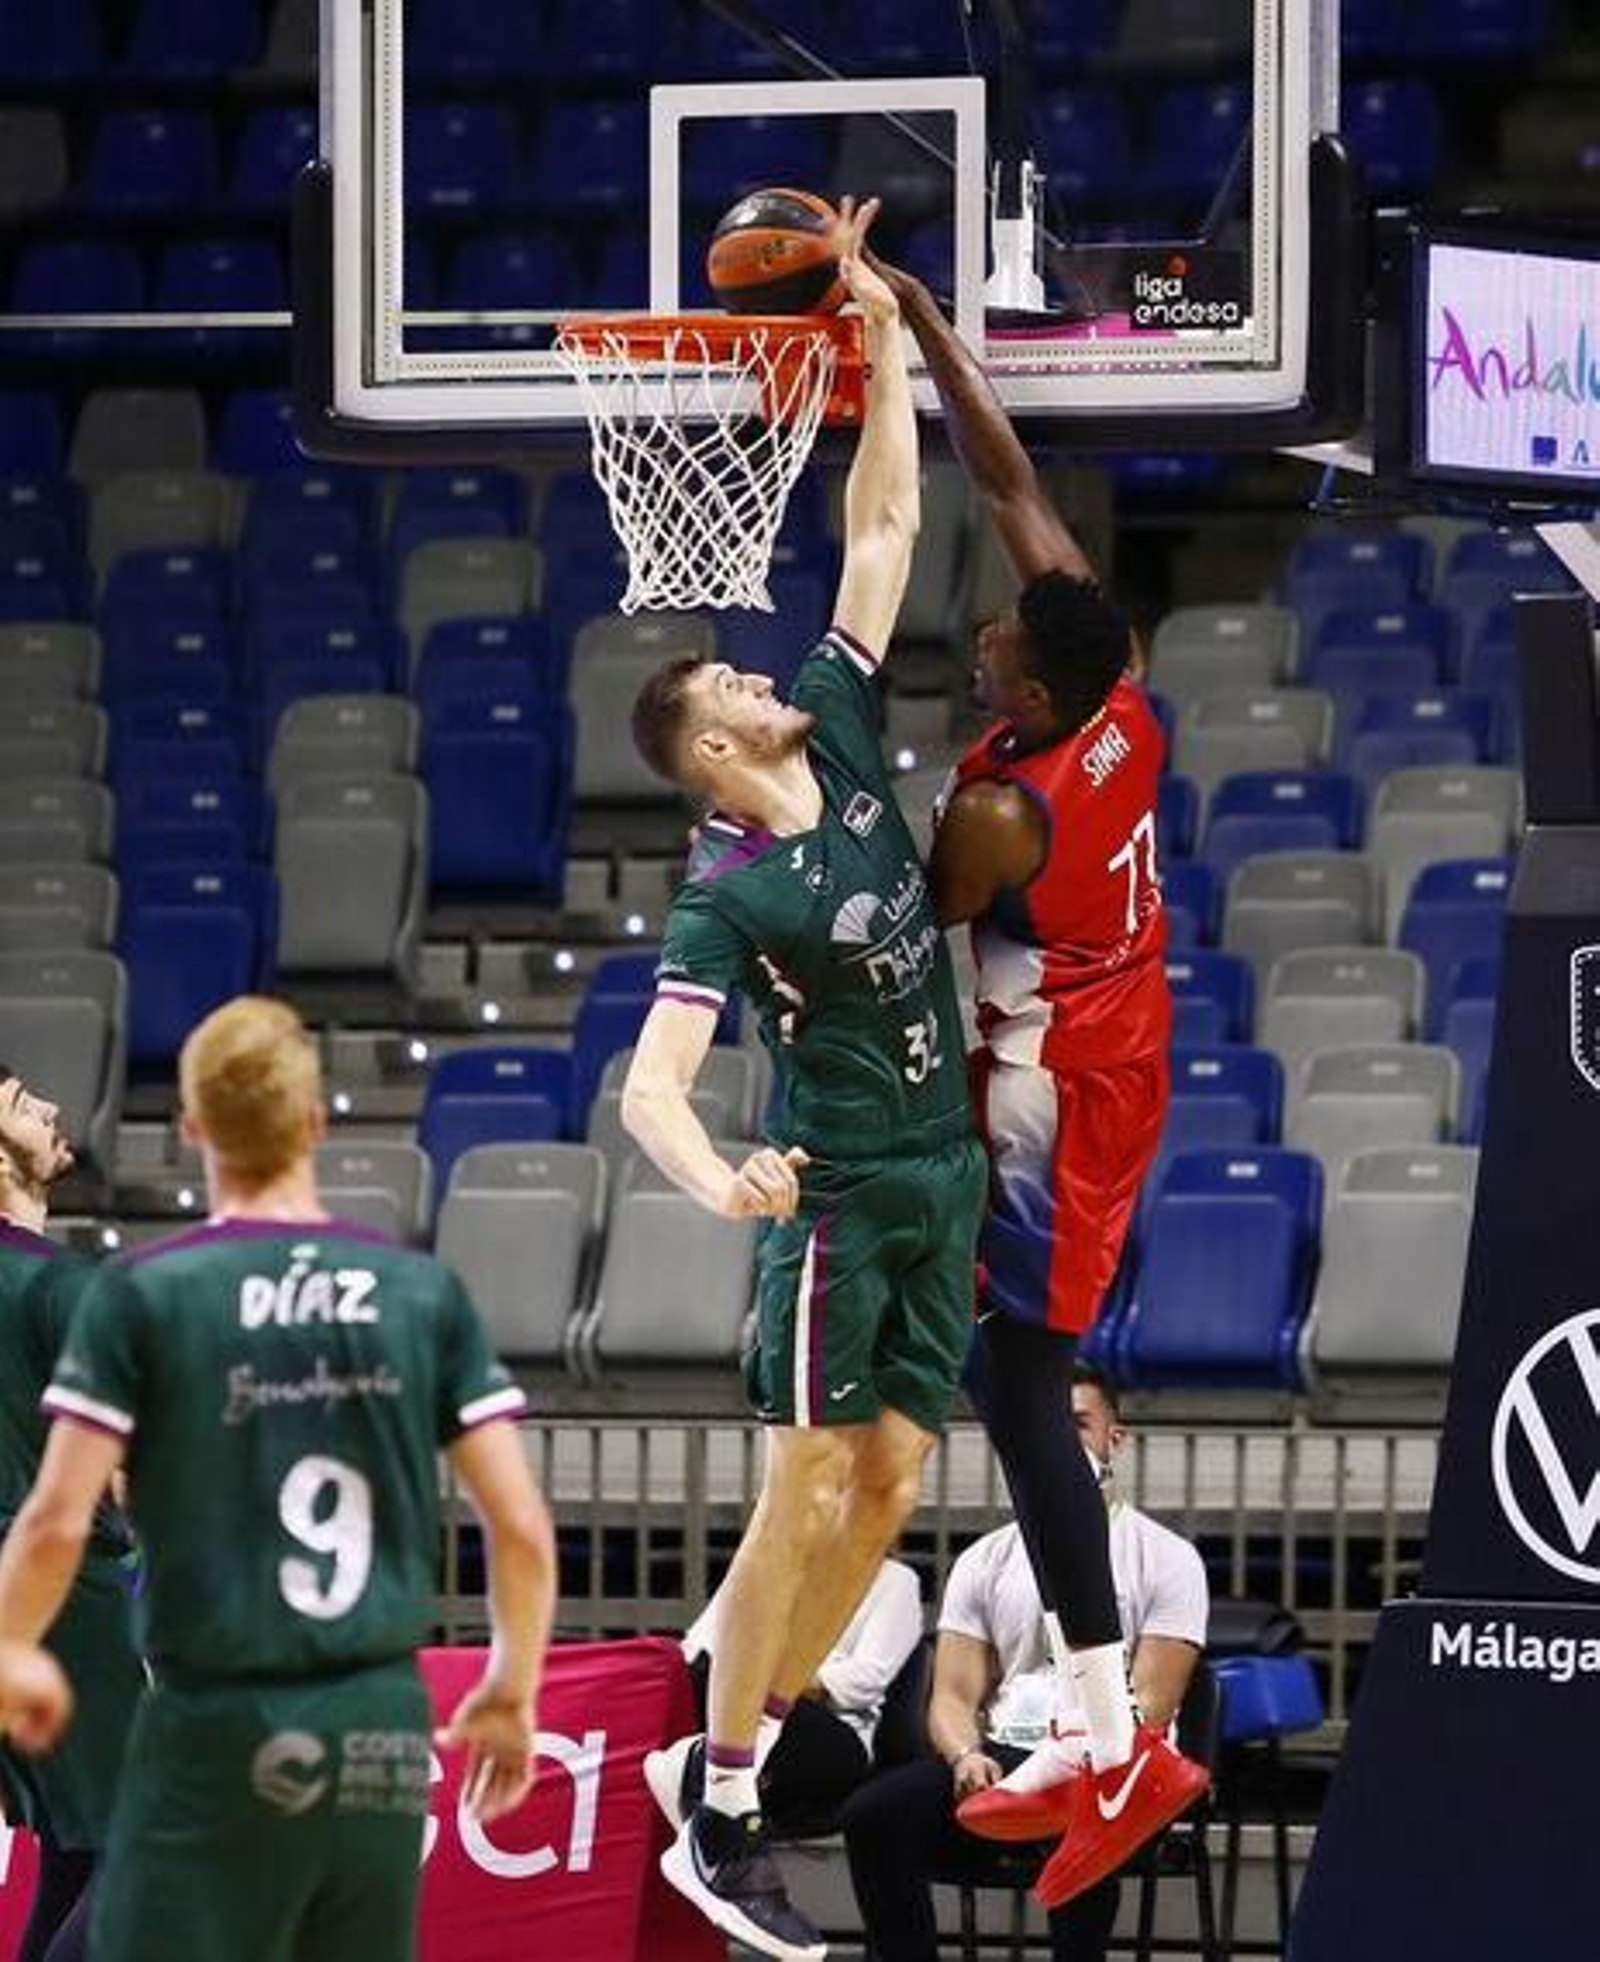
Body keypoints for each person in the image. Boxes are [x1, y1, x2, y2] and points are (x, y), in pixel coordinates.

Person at [623, 196, 987, 1962]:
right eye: (731, 679)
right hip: (837, 1187)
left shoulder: (837, 731)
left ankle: (737, 1717)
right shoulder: (723, 889)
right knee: (808, 1480)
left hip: (945, 1163)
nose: (764, 670)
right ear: (707, 742)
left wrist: (883, 338)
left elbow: (891, 518)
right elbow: (652, 1090)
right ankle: (722, 1783)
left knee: (902, 1481)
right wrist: (724, 1180)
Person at [869, 249, 1206, 1908]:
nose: (991, 624)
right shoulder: (1115, 692)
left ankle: (1108, 1733)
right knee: (1008, 1391)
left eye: (1000, 642)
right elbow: (1008, 482)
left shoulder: (1004, 816)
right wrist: (927, 327)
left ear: (1033, 690)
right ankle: (1090, 1726)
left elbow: (916, 917)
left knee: (1023, 1388)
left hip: (1055, 1091)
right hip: (1113, 1029)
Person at [0, 996, 557, 1962]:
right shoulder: (422, 1290)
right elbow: (521, 1529)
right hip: (373, 1715)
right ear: (316, 1122)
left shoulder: (144, 1296)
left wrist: (15, 1641)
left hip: (216, 1705)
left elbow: (56, 1520)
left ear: (191, 1129)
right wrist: (511, 1691)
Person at [841, 1366, 1208, 1961]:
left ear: (1116, 1439)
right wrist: (965, 1755)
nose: (1061, 1443)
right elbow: (953, 1695)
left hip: (1112, 1760)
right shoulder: (983, 1560)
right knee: (874, 1816)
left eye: (1079, 1426)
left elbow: (1155, 1698)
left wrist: (1083, 1756)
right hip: (1004, 1756)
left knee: (1090, 1807)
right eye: (1049, 1429)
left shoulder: (1168, 1558)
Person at [0, 1066, 144, 1962]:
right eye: (18, 1104)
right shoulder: (62, 1287)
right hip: (64, 1591)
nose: (51, 1107)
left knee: (75, 1846)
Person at [682, 1556, 923, 1835]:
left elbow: (868, 1678)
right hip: (745, 1706)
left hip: (833, 1726)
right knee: (694, 1676)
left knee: (741, 1697)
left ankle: (708, 1789)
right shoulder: (765, 1559)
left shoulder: (894, 1579)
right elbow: (696, 1650)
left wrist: (770, 1682)